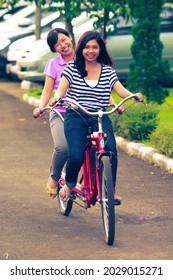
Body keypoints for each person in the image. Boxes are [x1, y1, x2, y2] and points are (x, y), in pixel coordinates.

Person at [50, 30, 143, 202]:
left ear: (100, 49)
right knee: (76, 155)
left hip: (99, 116)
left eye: (95, 47)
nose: (91, 51)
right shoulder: (72, 69)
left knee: (111, 150)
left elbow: (120, 90)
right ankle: (70, 184)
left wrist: (133, 96)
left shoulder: (107, 71)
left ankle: (110, 191)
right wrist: (55, 99)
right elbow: (61, 90)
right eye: (87, 47)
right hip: (76, 116)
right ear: (81, 49)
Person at [33, 28, 75, 198]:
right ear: (54, 49)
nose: (63, 45)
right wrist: (41, 107)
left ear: (70, 37)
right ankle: (55, 176)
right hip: (60, 111)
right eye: (58, 44)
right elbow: (47, 90)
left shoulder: (85, 59)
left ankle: (89, 184)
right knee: (63, 147)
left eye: (64, 40)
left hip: (83, 112)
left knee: (91, 148)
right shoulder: (53, 64)